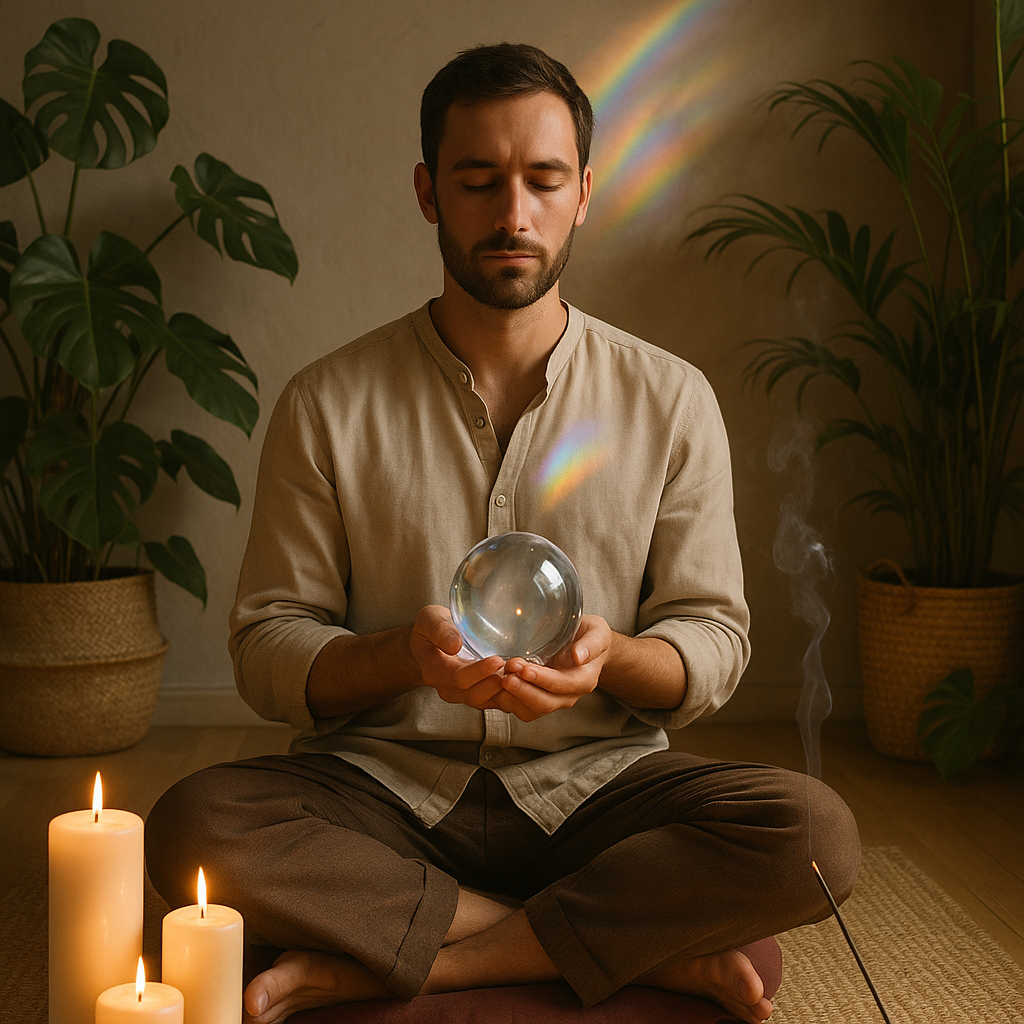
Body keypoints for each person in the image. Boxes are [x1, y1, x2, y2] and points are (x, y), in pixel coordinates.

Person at [145, 42, 859, 1024]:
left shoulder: (669, 398)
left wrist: (609, 659)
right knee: (195, 823)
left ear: (583, 193)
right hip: (385, 792)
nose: (513, 214)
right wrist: (404, 657)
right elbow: (268, 649)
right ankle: (617, 948)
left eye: (543, 180)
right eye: (479, 181)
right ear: (428, 193)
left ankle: (422, 956)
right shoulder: (327, 402)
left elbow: (712, 639)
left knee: (814, 835)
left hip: (598, 790)